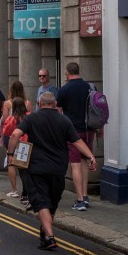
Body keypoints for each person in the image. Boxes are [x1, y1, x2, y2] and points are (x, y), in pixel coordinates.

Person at [8, 92, 97, 250]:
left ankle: (49, 237)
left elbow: (15, 134)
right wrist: (90, 156)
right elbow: (77, 141)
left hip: (37, 167)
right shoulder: (64, 120)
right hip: (58, 168)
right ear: (55, 104)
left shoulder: (32, 118)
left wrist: (10, 154)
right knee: (52, 202)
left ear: (39, 103)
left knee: (41, 201)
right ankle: (45, 231)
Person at [55, 62, 95, 211]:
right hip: (89, 130)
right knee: (85, 160)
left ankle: (80, 201)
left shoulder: (63, 90)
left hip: (73, 132)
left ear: (67, 73)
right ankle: (85, 195)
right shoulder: (90, 87)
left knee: (75, 164)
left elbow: (59, 113)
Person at [0, 97, 30, 199]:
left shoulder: (12, 118)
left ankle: (23, 193)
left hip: (15, 145)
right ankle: (26, 192)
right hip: (27, 145)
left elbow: (7, 132)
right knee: (26, 170)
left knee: (19, 169)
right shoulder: (30, 116)